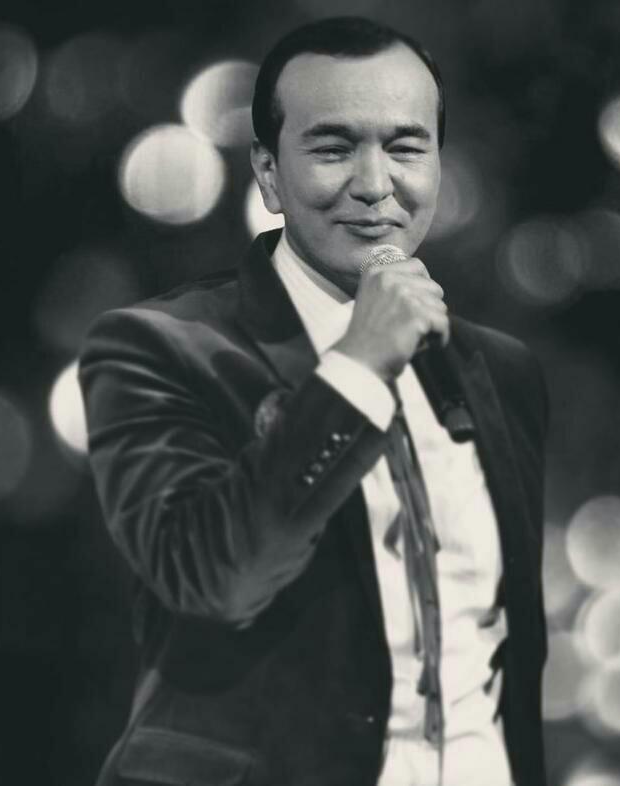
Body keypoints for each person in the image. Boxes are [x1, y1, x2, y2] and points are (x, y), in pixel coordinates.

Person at [79, 16, 549, 786]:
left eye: (405, 147)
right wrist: (357, 366)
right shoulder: (157, 349)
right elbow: (217, 579)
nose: (374, 184)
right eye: (333, 149)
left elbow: (504, 653)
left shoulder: (503, 372)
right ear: (268, 173)